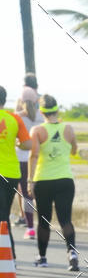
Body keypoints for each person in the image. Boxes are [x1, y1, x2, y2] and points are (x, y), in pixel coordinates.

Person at [28, 94, 79, 271]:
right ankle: (72, 253)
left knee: (44, 221)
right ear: (57, 109)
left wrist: (30, 181)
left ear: (41, 111)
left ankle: (42, 257)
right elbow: (74, 150)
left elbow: (33, 156)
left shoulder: (37, 131)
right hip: (65, 179)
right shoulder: (69, 128)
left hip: (43, 180)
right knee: (65, 219)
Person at [0, 85, 32, 259]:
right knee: (3, 212)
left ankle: (9, 256)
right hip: (12, 173)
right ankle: (8, 255)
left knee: (2, 216)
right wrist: (15, 143)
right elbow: (27, 144)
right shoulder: (14, 118)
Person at [15, 97, 41, 238]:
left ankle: (30, 227)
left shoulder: (17, 117)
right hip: (39, 160)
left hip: (22, 159)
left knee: (25, 194)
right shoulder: (41, 116)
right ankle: (39, 224)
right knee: (34, 194)